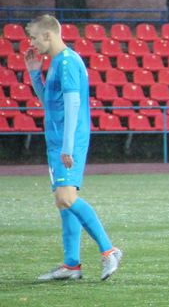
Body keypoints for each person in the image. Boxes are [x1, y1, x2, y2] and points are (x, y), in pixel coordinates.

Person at [25, 15, 123, 281]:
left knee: (67, 198)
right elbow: (50, 102)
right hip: (57, 140)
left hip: (69, 140)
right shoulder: (57, 63)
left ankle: (109, 250)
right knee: (62, 202)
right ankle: (72, 265)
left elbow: (73, 105)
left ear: (48, 35)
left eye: (34, 37)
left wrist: (67, 146)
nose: (31, 43)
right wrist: (35, 73)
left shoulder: (67, 61)